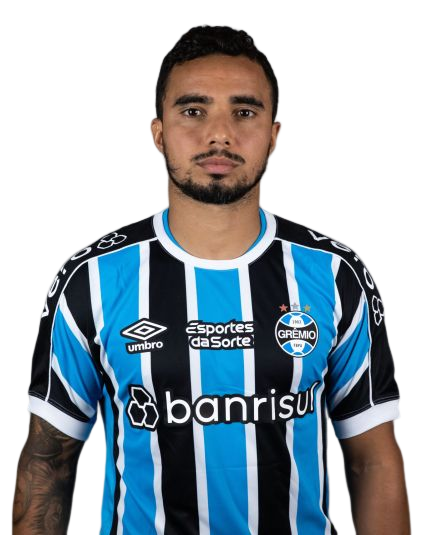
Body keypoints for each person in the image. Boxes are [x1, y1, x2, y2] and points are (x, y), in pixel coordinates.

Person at [9, 20, 413, 534]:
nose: (219, 134)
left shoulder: (337, 274)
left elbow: (372, 460)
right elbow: (47, 465)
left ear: (275, 134)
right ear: (157, 132)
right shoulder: (90, 278)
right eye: (193, 110)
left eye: (244, 112)